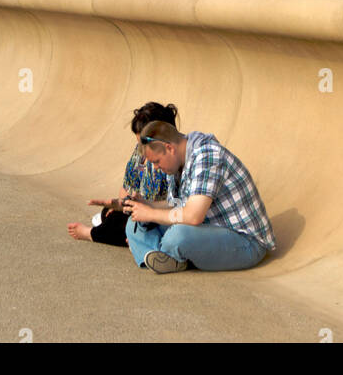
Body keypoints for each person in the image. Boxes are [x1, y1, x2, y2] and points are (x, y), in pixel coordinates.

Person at [124, 121, 275, 274]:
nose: (155, 167)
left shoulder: (208, 156)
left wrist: (151, 214)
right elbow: (176, 206)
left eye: (156, 161)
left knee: (177, 236)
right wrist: (147, 205)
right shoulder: (177, 163)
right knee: (135, 223)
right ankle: (166, 258)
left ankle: (166, 254)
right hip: (208, 231)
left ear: (169, 148)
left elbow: (192, 216)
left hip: (246, 242)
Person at [67, 102, 178, 246]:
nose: (142, 149)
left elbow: (174, 204)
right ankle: (119, 229)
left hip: (157, 218)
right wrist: (122, 206)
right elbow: (127, 186)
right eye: (139, 143)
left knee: (121, 223)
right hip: (137, 209)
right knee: (109, 211)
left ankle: (92, 234)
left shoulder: (171, 161)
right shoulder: (141, 153)